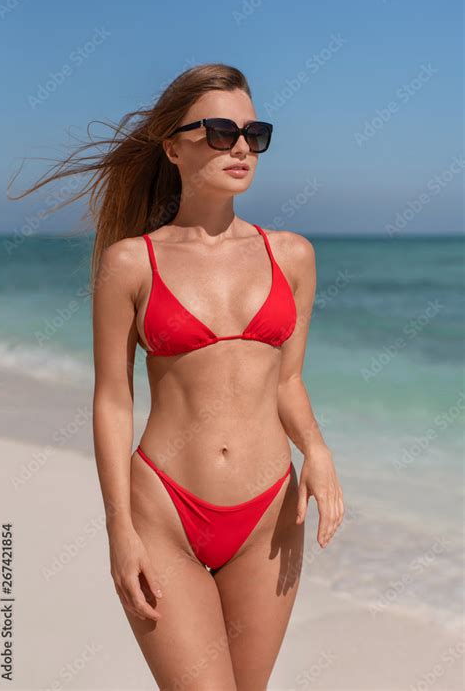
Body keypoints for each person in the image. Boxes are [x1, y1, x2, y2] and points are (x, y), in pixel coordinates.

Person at [17, 62, 344, 689]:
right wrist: (119, 529)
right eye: (220, 131)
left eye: (255, 133)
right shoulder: (130, 264)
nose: (242, 146)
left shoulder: (294, 255)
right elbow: (113, 399)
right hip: (164, 514)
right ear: (173, 146)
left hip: (269, 513)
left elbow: (287, 382)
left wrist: (319, 450)